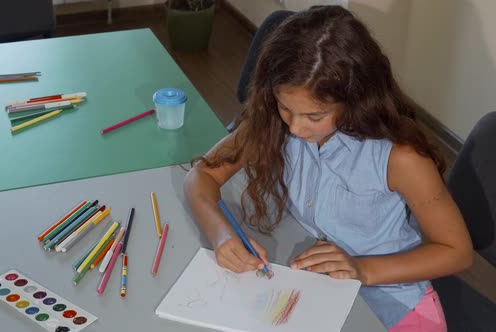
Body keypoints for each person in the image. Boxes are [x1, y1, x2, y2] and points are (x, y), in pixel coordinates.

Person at [183, 5, 472, 331]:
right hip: (316, 294)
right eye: (284, 107)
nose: (294, 128)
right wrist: (222, 235)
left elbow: (457, 251)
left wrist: (362, 270)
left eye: (314, 117)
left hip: (390, 307)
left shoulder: (400, 158)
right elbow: (202, 175)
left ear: (354, 99)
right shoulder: (272, 123)